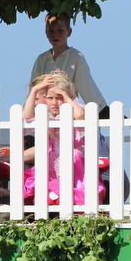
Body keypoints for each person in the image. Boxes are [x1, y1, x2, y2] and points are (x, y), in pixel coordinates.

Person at [21, 71, 105, 207]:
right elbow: (27, 115)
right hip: (51, 159)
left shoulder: (71, 112)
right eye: (50, 98)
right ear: (44, 98)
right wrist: (35, 89)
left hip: (72, 159)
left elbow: (80, 116)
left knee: (74, 186)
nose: (54, 102)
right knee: (47, 188)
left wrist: (67, 99)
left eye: (59, 98)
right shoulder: (46, 116)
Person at [30, 15, 109, 118]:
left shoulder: (75, 57)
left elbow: (87, 88)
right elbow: (34, 89)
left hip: (68, 115)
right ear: (46, 33)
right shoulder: (42, 59)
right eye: (51, 31)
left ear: (69, 32)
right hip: (45, 117)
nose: (55, 34)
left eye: (60, 30)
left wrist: (103, 111)